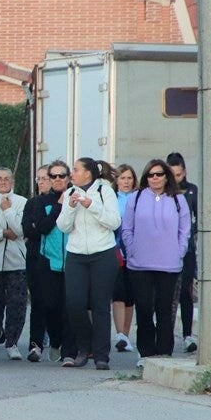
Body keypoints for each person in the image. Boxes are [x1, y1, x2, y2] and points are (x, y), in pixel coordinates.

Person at [120, 159, 190, 365]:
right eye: (151, 175)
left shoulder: (178, 199)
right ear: (146, 178)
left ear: (166, 176)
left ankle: (165, 352)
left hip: (169, 264)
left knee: (165, 309)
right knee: (143, 308)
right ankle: (146, 352)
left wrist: (180, 251)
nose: (155, 178)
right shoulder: (137, 197)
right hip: (140, 263)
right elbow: (127, 227)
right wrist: (132, 250)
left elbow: (185, 229)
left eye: (159, 174)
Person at [56, 157, 122, 369]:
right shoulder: (68, 193)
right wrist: (72, 207)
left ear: (88, 173)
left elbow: (114, 222)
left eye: (75, 170)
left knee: (100, 305)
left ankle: (101, 355)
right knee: (74, 302)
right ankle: (84, 347)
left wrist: (91, 205)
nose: (71, 174)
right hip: (76, 255)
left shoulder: (105, 191)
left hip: (102, 253)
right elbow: (63, 226)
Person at [31, 161, 73, 363]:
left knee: (70, 307)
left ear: (68, 177)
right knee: (51, 306)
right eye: (53, 176)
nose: (57, 179)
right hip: (48, 261)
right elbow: (42, 228)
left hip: (73, 260)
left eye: (61, 176)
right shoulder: (42, 202)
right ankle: (55, 340)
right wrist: (58, 206)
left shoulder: (76, 197)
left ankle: (69, 352)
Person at [0, 168, 28, 360]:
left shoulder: (21, 202)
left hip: (16, 261)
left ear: (12, 181)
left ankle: (12, 342)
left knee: (17, 304)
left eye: (7, 179)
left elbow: (20, 229)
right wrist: (1, 233)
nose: (3, 182)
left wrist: (8, 210)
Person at [166, 152, 200, 353]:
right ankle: (166, 333)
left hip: (186, 249)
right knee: (167, 293)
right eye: (172, 174)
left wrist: (187, 232)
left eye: (178, 174)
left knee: (186, 291)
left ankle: (188, 334)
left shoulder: (192, 191)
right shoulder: (163, 191)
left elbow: (198, 218)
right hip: (166, 250)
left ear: (184, 172)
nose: (176, 178)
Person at [21, 165, 51, 362]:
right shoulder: (32, 203)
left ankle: (59, 342)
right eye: (38, 178)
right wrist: (39, 228)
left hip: (56, 257)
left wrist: (39, 226)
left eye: (44, 178)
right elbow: (28, 230)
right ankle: (35, 344)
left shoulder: (61, 200)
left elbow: (42, 228)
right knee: (38, 301)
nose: (40, 181)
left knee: (58, 302)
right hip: (34, 257)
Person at [112, 163, 138, 353]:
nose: (126, 182)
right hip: (115, 250)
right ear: (117, 180)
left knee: (131, 294)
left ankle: (126, 337)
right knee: (118, 292)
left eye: (129, 178)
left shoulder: (139, 198)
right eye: (123, 178)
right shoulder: (112, 199)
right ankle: (119, 333)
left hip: (136, 252)